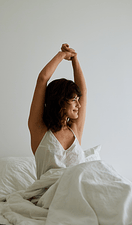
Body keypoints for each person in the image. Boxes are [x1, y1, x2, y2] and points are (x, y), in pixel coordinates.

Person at [28, 44, 87, 179]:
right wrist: (62, 55)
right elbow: (42, 80)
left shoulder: (75, 130)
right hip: (52, 194)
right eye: (73, 99)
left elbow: (83, 91)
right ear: (60, 101)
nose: (79, 105)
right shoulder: (39, 130)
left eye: (79, 99)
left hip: (78, 188)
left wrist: (75, 59)